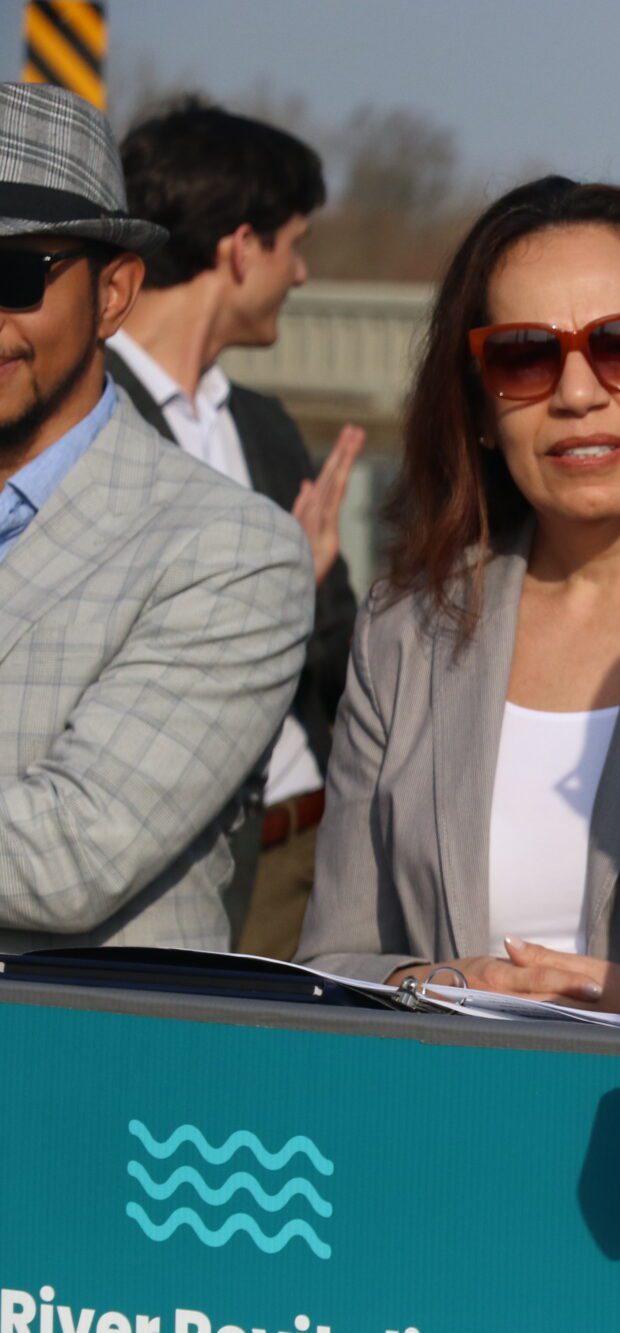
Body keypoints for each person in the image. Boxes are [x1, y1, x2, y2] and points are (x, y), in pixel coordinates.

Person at [295, 177, 620, 1007]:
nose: (576, 394)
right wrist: (452, 987)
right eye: (525, 356)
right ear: (479, 407)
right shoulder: (403, 627)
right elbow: (331, 959)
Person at [0, 83, 311, 949]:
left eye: (13, 275)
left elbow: (72, 854)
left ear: (113, 293)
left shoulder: (233, 551)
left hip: (70, 1036)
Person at [110, 97, 364, 959]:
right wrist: (281, 588)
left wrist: (309, 589)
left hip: (306, 852)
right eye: (294, 244)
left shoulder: (262, 426)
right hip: (171, 869)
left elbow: (338, 645)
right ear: (242, 247)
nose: (302, 274)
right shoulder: (88, 417)